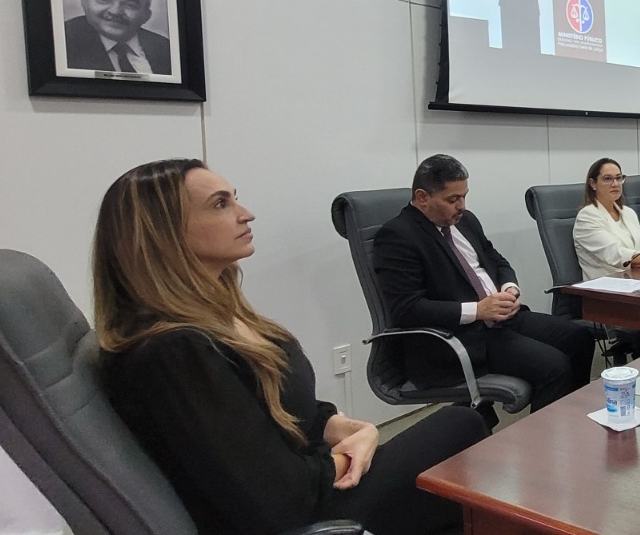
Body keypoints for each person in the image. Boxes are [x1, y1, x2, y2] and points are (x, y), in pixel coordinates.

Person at [95, 159, 486, 535]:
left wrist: (340, 425)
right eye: (220, 204)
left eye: (234, 197)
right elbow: (274, 500)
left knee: (458, 487)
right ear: (162, 233)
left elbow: (276, 408)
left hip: (313, 480)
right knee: (461, 427)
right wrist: (343, 456)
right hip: (309, 513)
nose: (246, 213)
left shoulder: (221, 317)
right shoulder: (175, 351)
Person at [372, 154, 593, 410]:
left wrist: (510, 289)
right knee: (554, 367)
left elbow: (497, 261)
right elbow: (406, 309)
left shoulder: (465, 221)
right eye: (452, 199)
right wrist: (478, 310)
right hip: (459, 338)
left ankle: (571, 424)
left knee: (580, 338)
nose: (461, 206)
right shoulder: (397, 236)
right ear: (422, 197)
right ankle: (544, 443)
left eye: (464, 196)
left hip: (502, 320)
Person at [64, 0, 172, 75]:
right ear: (84, 3)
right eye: (103, 0)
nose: (115, 11)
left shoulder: (165, 49)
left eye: (130, 5)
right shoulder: (64, 40)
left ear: (146, 16)